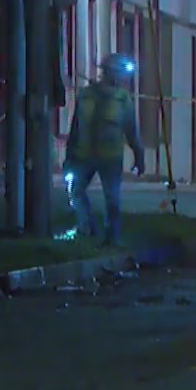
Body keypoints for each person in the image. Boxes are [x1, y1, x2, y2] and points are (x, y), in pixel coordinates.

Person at [65, 53, 144, 246]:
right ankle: (87, 227)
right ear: (108, 72)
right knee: (76, 192)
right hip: (84, 154)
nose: (119, 78)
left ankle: (111, 237)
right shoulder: (86, 95)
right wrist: (69, 154)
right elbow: (76, 126)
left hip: (110, 156)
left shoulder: (122, 99)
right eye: (116, 73)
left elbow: (131, 130)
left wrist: (139, 156)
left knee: (112, 199)